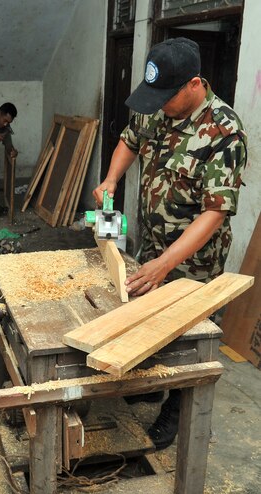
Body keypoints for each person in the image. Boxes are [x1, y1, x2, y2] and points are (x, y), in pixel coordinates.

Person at [93, 37, 247, 450]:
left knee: (190, 335)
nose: (160, 106)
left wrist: (166, 264)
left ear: (194, 85)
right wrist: (111, 180)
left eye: (167, 98)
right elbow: (129, 139)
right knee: (147, 314)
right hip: (154, 242)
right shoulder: (159, 107)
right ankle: (151, 383)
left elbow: (215, 212)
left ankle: (177, 409)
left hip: (196, 261)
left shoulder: (225, 131)